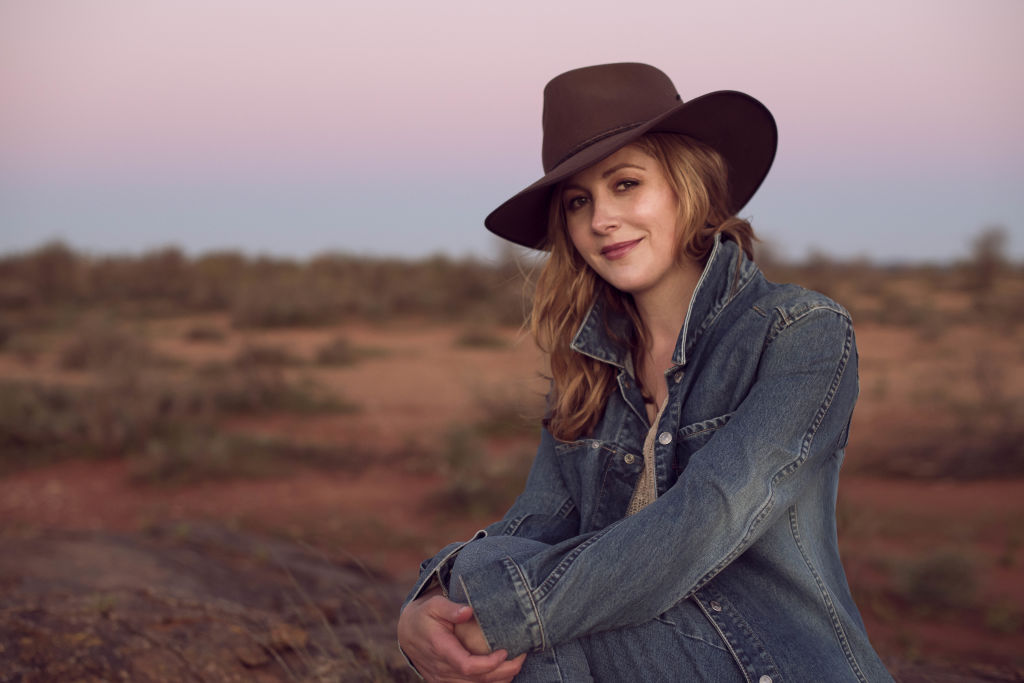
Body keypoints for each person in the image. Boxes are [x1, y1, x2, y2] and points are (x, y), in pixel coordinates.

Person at [397, 63, 893, 682]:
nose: (601, 219)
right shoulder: (591, 367)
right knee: (490, 573)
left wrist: (500, 617)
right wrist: (425, 601)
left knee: (533, 638)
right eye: (579, 202)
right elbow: (537, 522)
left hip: (764, 660)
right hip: (640, 651)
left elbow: (704, 522)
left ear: (689, 185)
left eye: (626, 184)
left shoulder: (800, 331)